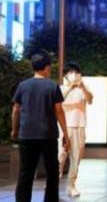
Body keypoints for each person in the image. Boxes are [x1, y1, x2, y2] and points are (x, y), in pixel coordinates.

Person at [11, 52, 70, 202]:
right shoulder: (52, 86)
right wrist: (66, 133)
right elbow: (59, 111)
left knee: (26, 172)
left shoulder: (23, 85)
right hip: (47, 135)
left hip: (26, 135)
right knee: (52, 172)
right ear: (47, 67)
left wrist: (15, 129)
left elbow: (16, 109)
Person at [58, 62, 93, 197]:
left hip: (79, 126)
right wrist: (70, 87)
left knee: (76, 157)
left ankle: (71, 185)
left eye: (76, 72)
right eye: (70, 72)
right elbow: (60, 101)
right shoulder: (61, 88)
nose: (73, 74)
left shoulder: (83, 89)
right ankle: (54, 183)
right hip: (64, 127)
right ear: (65, 75)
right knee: (60, 156)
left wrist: (82, 86)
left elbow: (90, 100)